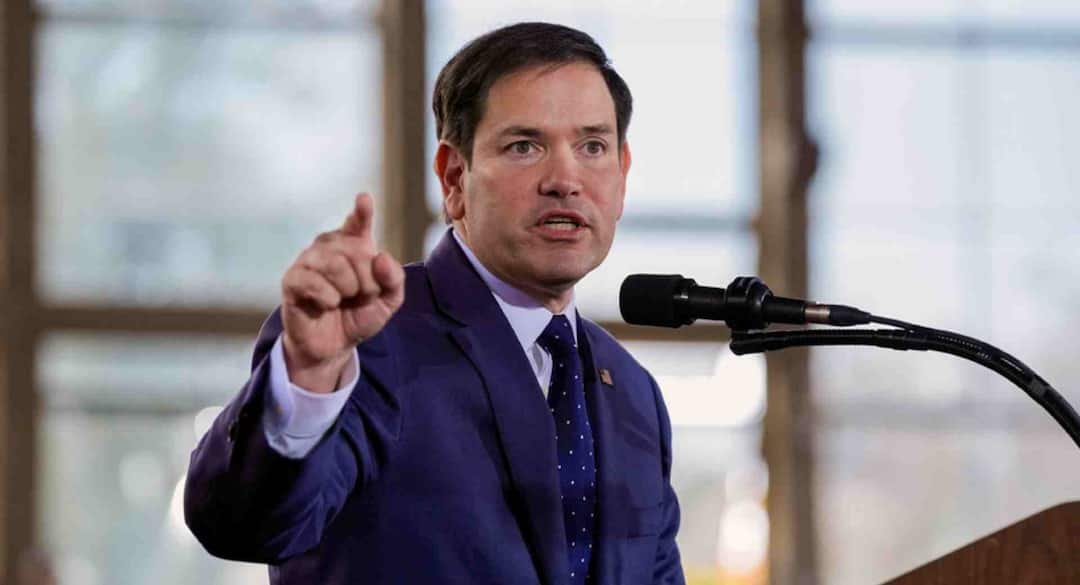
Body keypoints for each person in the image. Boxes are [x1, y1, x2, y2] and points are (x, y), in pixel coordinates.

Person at [185, 22, 685, 585]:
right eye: (524, 146)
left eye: (592, 146)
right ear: (453, 178)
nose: (565, 179)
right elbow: (241, 524)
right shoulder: (365, 343)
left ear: (622, 173)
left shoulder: (633, 391)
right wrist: (308, 378)